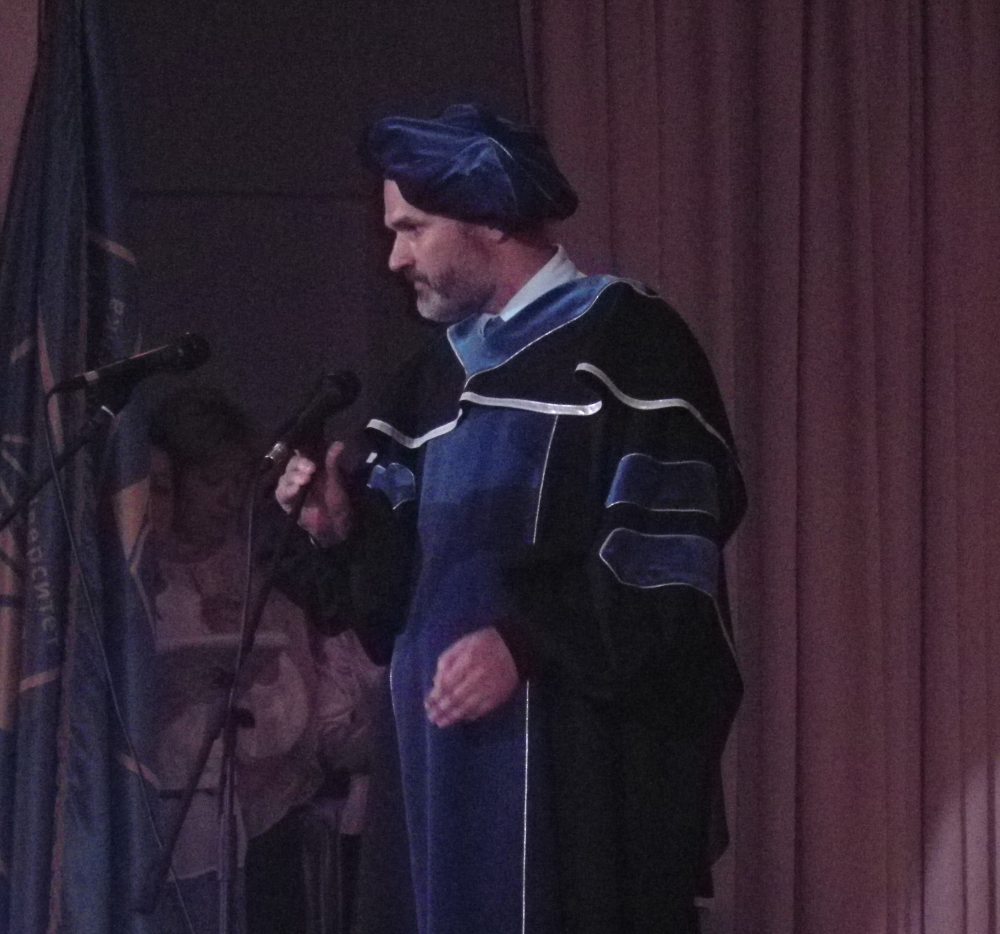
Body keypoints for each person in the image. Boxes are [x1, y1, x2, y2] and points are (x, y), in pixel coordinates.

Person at [275, 104, 746, 934]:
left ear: (489, 216)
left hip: (573, 766)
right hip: (432, 774)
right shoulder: (430, 379)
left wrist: (530, 643)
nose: (395, 258)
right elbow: (390, 604)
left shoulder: (627, 342)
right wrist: (338, 527)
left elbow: (664, 563)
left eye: (413, 229)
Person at [148, 386, 380, 933]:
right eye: (212, 482)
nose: (228, 499)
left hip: (272, 817)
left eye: (238, 481)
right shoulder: (139, 574)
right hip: (169, 818)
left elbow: (317, 696)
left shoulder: (265, 564)